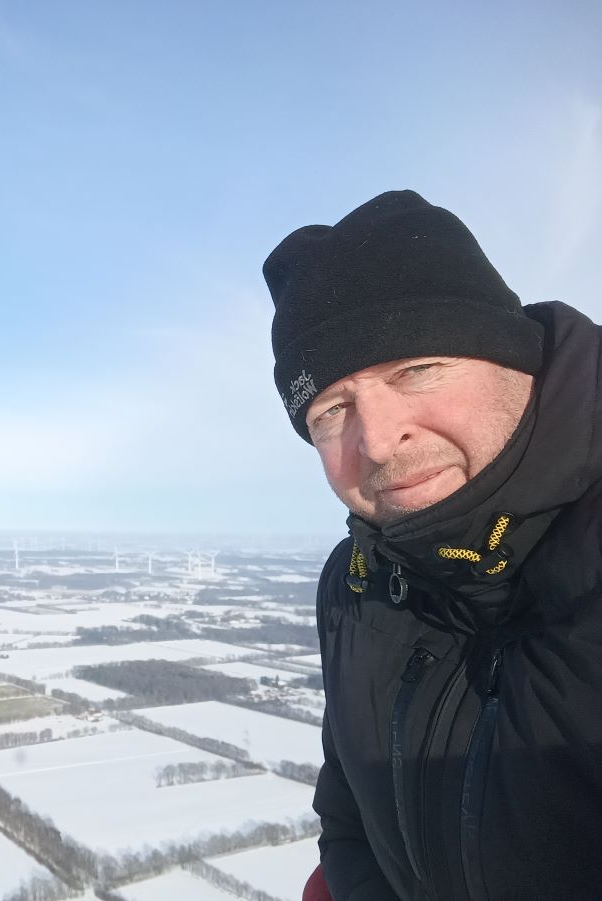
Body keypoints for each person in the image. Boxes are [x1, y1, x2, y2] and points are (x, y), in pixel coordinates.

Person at [262, 190, 602, 901]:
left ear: (515, 357)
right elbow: (349, 816)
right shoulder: (356, 581)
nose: (379, 441)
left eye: (415, 370)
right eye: (331, 411)